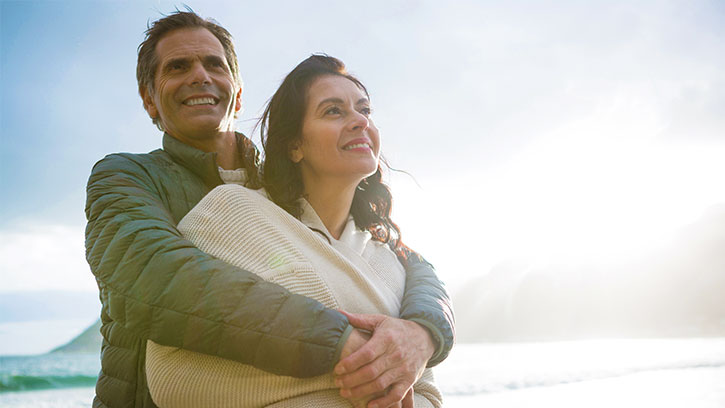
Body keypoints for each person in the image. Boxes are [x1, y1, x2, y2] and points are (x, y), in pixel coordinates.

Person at [84, 11, 454, 408]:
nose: (199, 76)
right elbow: (149, 276)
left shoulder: (285, 186)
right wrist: (344, 343)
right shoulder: (127, 176)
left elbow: (402, 262)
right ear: (148, 98)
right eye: (177, 67)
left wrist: (425, 330)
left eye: (214, 64)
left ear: (238, 92)